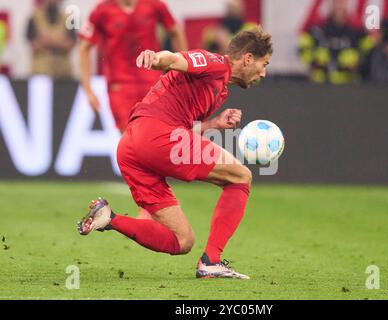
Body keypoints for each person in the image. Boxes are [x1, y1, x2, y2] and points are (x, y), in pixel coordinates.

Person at [77, 27, 273, 279]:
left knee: (182, 241)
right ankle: (211, 261)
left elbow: (181, 125)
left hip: (131, 145)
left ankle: (109, 217)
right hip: (156, 136)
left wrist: (213, 124)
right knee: (240, 176)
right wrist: (155, 58)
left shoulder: (220, 90)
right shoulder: (214, 63)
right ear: (248, 58)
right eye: (263, 63)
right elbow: (176, 59)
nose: (263, 72)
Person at [78, 0, 187, 133]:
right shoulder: (102, 10)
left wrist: (183, 70)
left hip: (153, 83)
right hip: (120, 86)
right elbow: (84, 47)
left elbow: (175, 31)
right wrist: (88, 90)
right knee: (129, 138)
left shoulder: (154, 5)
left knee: (156, 135)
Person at [298, 0, 375, 84]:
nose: (339, 6)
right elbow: (303, 47)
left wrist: (356, 62)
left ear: (346, 4)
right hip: (320, 84)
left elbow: (369, 51)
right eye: (336, 2)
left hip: (348, 83)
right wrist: (315, 61)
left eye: (342, 3)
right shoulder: (319, 27)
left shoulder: (357, 28)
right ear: (332, 4)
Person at [26, 0, 76, 78]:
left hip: (63, 74)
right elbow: (33, 46)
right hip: (40, 72)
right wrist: (59, 41)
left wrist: (46, 41)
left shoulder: (69, 19)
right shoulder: (34, 18)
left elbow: (70, 45)